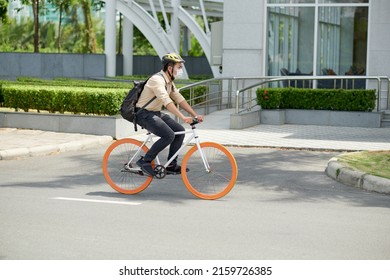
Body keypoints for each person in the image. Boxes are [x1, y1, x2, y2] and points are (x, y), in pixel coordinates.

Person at [135, 53, 204, 176]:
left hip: (155, 113)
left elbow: (179, 99)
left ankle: (171, 165)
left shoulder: (169, 82)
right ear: (170, 68)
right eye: (179, 67)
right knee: (169, 135)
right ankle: (145, 161)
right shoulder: (157, 80)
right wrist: (183, 117)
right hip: (143, 114)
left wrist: (194, 114)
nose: (180, 70)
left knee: (180, 130)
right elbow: (166, 101)